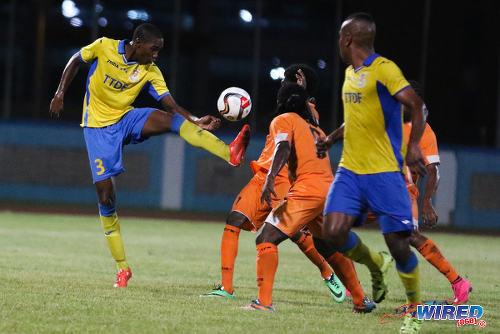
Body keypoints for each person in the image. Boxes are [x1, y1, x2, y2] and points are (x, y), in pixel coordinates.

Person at [49, 23, 251, 288]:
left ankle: (230, 153)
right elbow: (76, 59)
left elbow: (170, 103)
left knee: (169, 120)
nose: (156, 55)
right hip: (97, 129)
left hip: (126, 118)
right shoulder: (105, 46)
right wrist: (60, 92)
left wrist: (196, 120)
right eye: (154, 50)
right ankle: (122, 268)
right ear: (139, 42)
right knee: (106, 197)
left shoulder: (150, 71)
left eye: (159, 51)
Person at [202, 65, 372, 312]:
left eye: (285, 82)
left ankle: (271, 299)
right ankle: (360, 298)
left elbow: (284, 147)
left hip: (289, 182)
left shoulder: (296, 117)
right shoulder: (314, 128)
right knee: (237, 219)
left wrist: (301, 93)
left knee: (273, 236)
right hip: (298, 181)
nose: (281, 85)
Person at [316, 13, 427, 333]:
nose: (338, 42)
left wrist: (414, 146)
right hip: (349, 170)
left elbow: (415, 105)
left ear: (347, 39)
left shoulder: (384, 69)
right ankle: (376, 265)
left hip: (384, 173)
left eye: (340, 36)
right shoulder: (351, 73)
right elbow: (357, 118)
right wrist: (331, 139)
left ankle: (415, 312)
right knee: (333, 231)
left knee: (400, 246)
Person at [402, 81, 472, 303]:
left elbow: (432, 170)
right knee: (340, 223)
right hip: (375, 190)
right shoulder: (387, 122)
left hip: (403, 192)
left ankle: (458, 282)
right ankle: (351, 286)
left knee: (411, 237)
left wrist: (426, 202)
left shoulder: (423, 130)